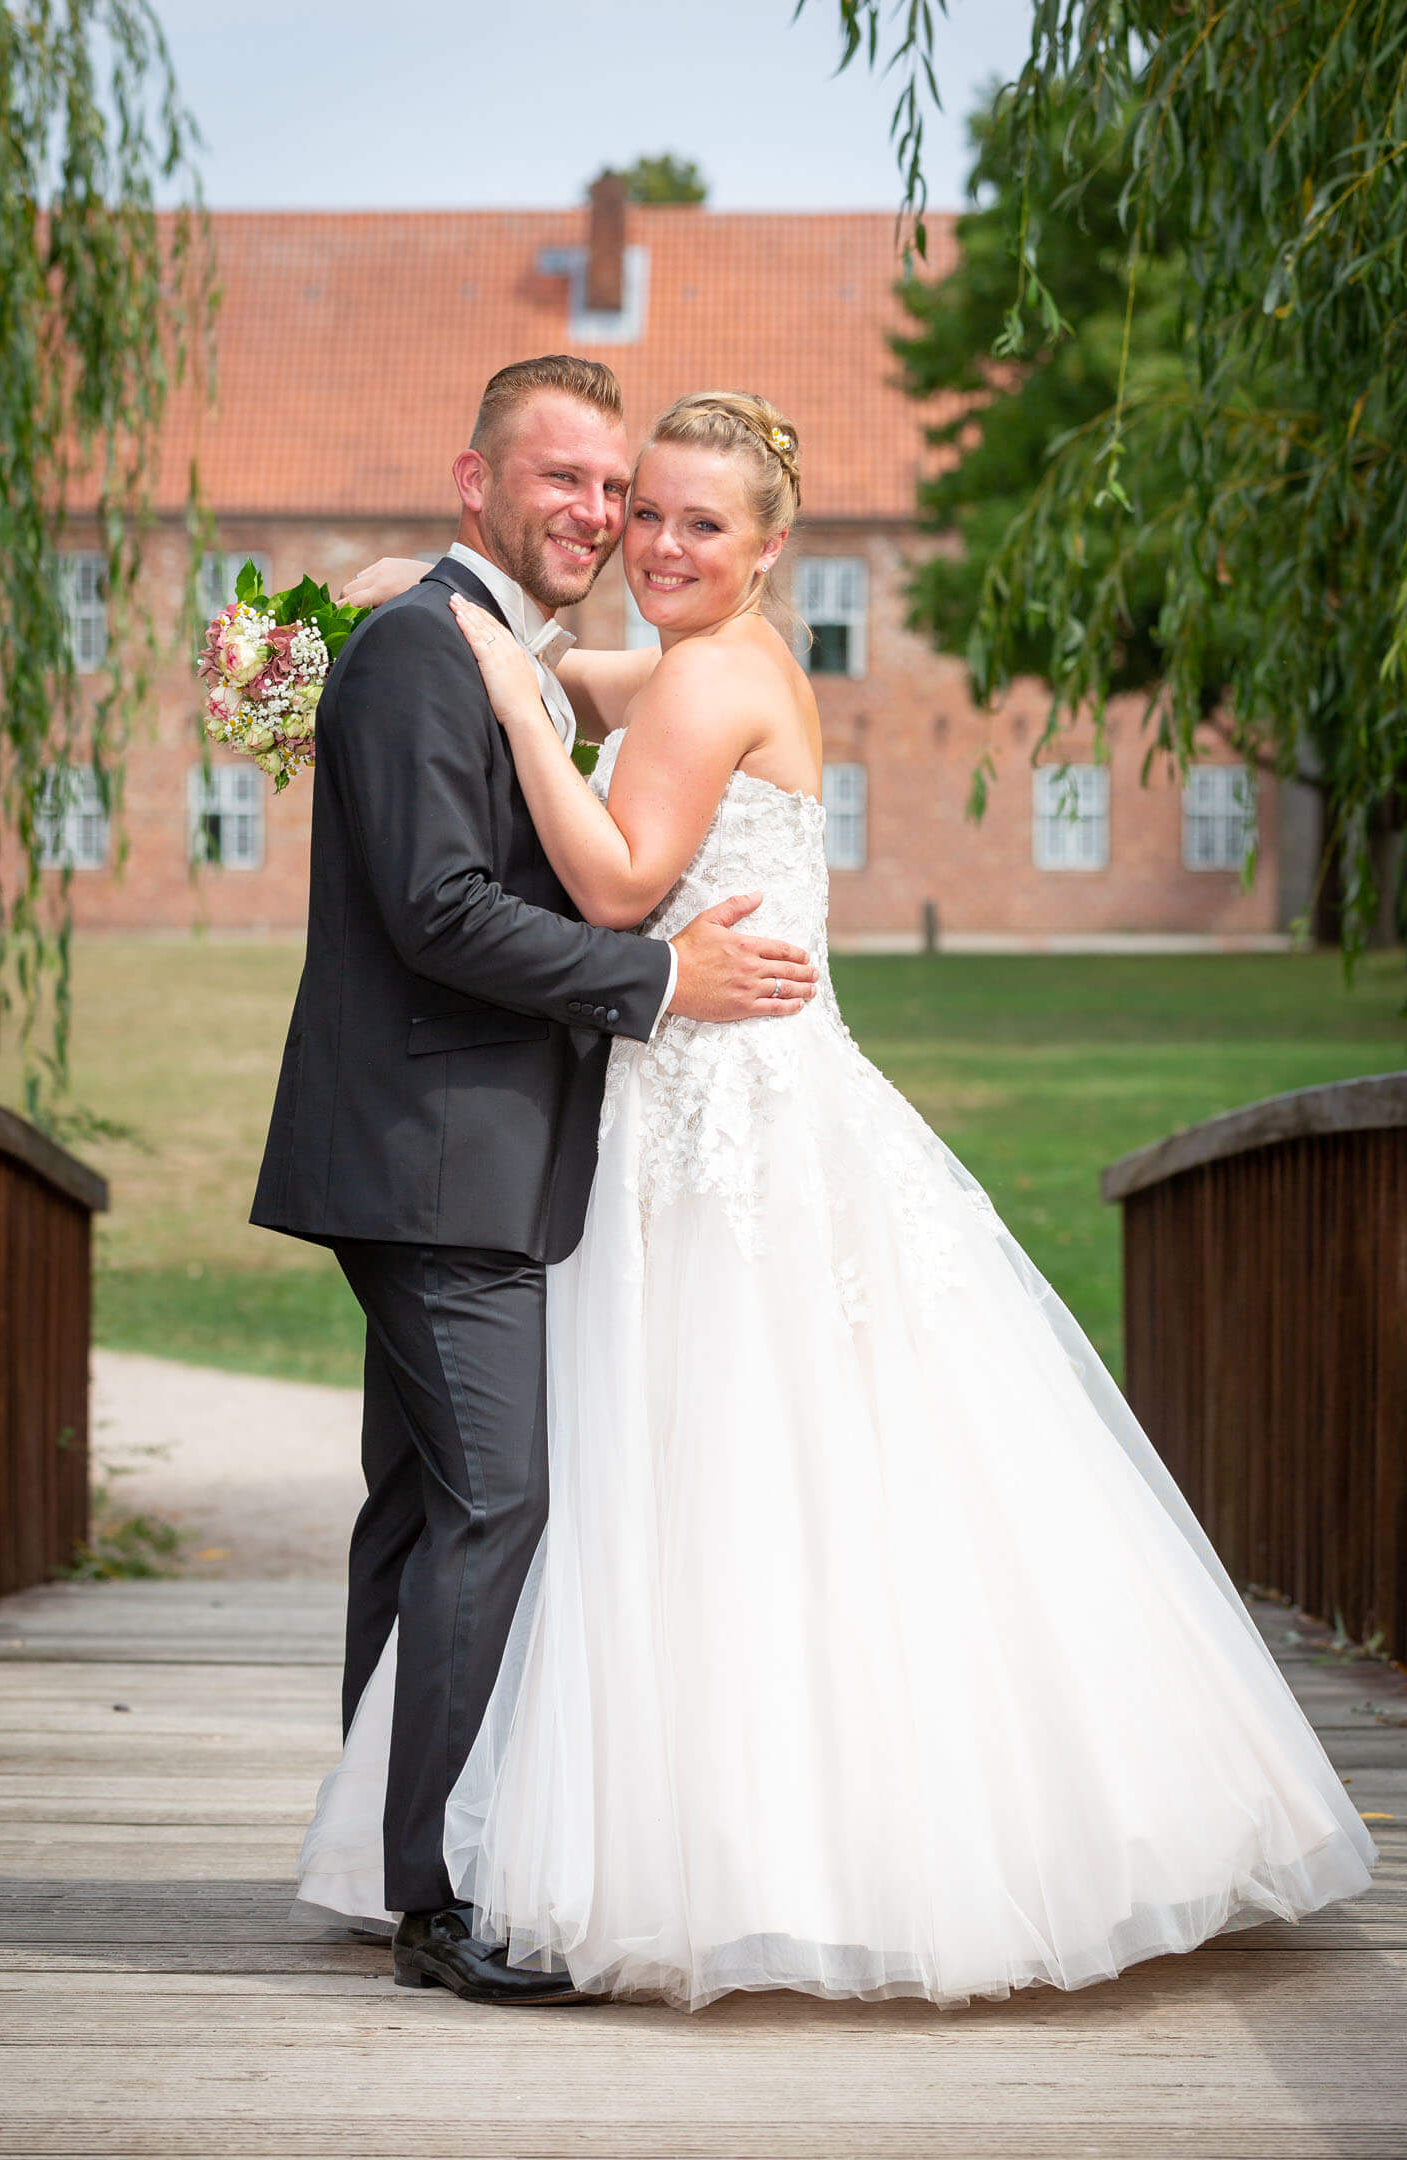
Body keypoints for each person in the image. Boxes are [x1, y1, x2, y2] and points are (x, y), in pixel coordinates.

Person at [299, 390, 1375, 2012]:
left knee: (693, 1475)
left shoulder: (709, 674)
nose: (655, 541)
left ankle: (618, 1854)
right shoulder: (708, 660)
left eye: (697, 522)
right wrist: (435, 599)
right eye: (641, 510)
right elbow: (579, 669)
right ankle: (458, 1855)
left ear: (770, 547)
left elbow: (612, 879)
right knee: (709, 1471)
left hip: (716, 1109)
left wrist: (514, 706)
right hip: (713, 1101)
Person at [253, 357, 818, 2008]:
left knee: (423, 1507)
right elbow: (439, 909)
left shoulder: (480, 636)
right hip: (436, 1157)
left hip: (475, 1154)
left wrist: (391, 605)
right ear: (476, 481)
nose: (600, 516)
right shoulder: (423, 653)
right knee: (499, 1502)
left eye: (615, 490)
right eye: (567, 481)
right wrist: (657, 981)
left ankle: (384, 1864)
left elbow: (566, 717)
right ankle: (436, 1902)